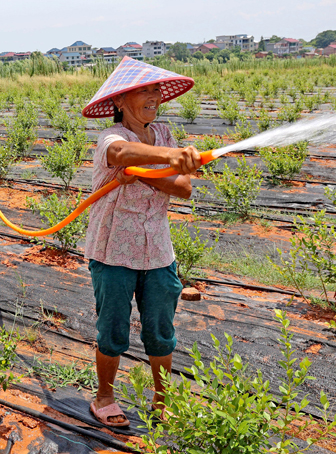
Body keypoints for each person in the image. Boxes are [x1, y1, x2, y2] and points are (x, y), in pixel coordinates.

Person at [80, 57, 201, 427]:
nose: (153, 97)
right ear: (119, 101)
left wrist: (146, 172)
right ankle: (104, 398)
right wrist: (165, 161)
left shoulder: (163, 133)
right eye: (143, 90)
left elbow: (183, 188)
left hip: (159, 251)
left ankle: (161, 399)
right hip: (113, 249)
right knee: (112, 328)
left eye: (155, 90)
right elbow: (120, 154)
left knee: (161, 330)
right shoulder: (110, 138)